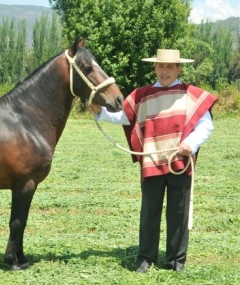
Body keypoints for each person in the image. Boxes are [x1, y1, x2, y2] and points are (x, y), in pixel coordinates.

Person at [87, 48, 217, 273]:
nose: (164, 71)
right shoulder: (142, 95)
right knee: (149, 212)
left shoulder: (191, 95)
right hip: (152, 161)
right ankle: (146, 258)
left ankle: (176, 261)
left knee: (178, 212)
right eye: (160, 66)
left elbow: (206, 125)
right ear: (155, 68)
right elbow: (124, 116)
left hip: (180, 164)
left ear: (178, 68)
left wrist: (191, 144)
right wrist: (100, 111)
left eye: (169, 67)